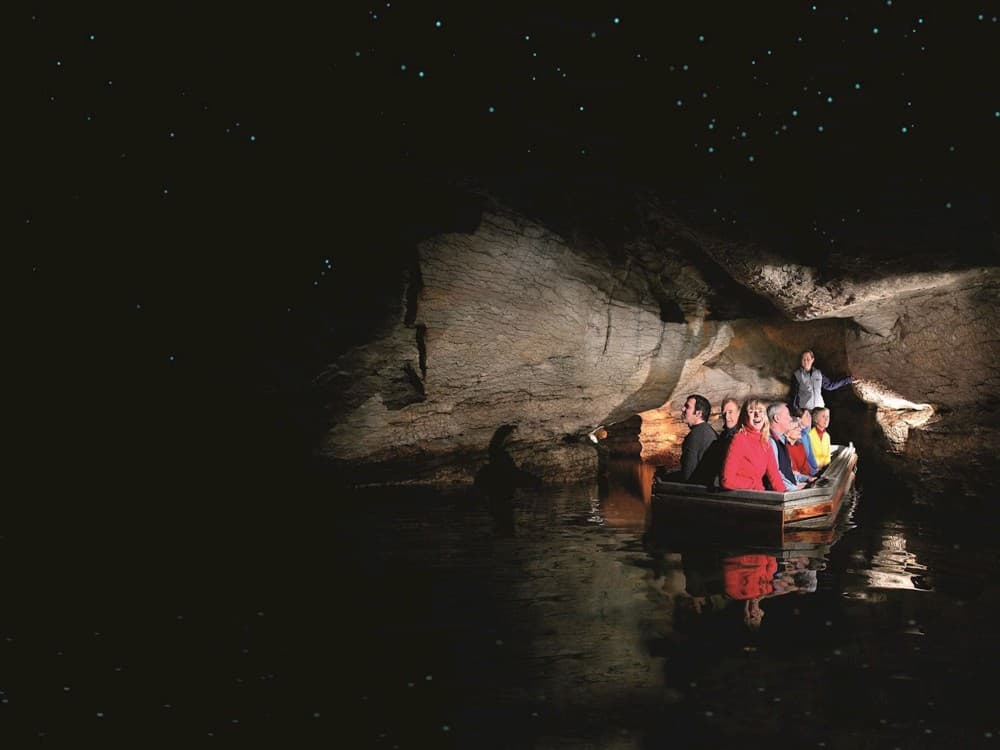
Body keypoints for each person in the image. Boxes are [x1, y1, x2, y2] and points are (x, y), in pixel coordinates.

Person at [720, 398, 788, 492]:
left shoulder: (765, 442)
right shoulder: (739, 439)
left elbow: (775, 477)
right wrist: (754, 484)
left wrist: (786, 495)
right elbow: (727, 480)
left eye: (760, 411)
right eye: (751, 411)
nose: (757, 415)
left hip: (758, 495)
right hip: (742, 499)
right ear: (744, 416)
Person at [670, 394, 718, 483]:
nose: (683, 409)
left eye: (687, 407)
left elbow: (688, 475)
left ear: (698, 413)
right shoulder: (708, 431)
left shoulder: (695, 436)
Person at [766, 402, 812, 491]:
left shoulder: (781, 440)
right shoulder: (771, 441)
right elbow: (776, 474)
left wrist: (806, 478)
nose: (790, 418)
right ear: (777, 418)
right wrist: (795, 489)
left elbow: (787, 473)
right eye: (787, 415)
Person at [791, 405, 820, 475]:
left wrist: (816, 468)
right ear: (799, 419)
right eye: (806, 415)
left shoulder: (806, 434)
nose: (809, 417)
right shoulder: (796, 436)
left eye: (809, 415)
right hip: (802, 473)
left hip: (810, 470)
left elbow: (810, 454)